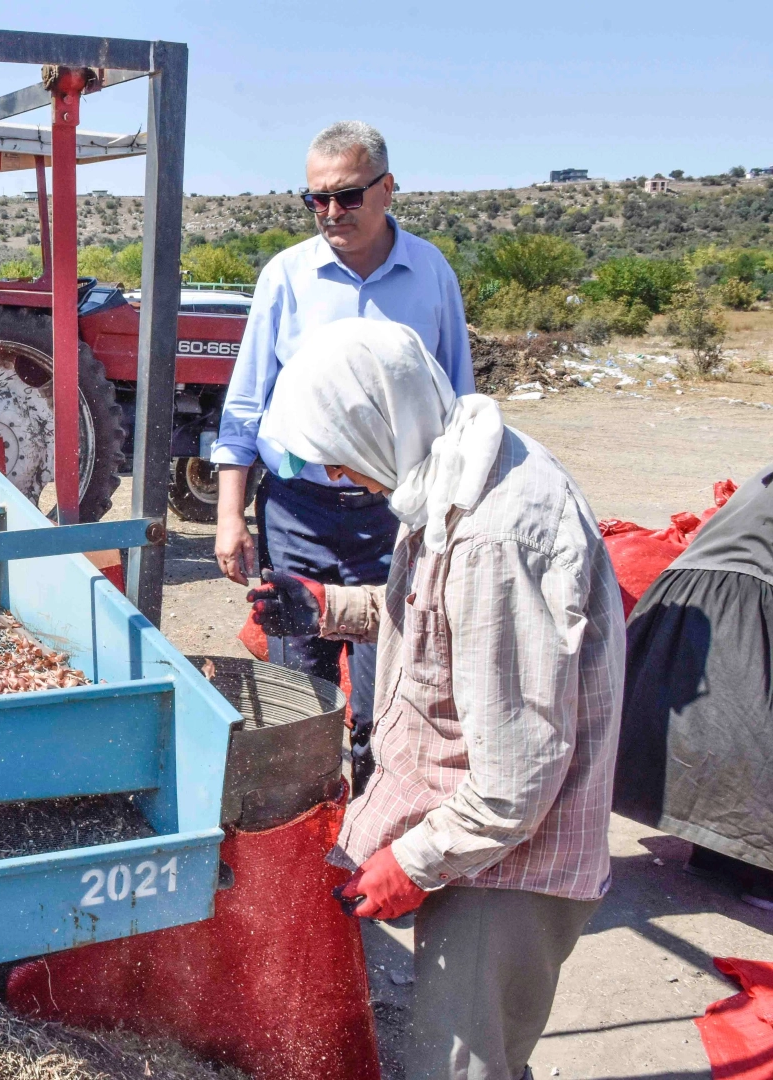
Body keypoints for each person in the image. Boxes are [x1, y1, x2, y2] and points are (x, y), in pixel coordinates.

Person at [246, 318, 623, 1080]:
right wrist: (326, 606)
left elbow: (517, 785)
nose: (344, 482)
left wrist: (413, 863)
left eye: (342, 462)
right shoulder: (454, 470)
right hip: (483, 835)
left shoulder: (495, 534)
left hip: (513, 866)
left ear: (379, 420)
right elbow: (440, 622)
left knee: (455, 1070)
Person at [210, 120, 473, 794]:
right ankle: (309, 822)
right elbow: (244, 407)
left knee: (393, 677)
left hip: (394, 513)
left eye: (348, 196)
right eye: (316, 199)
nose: (331, 213)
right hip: (297, 512)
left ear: (388, 189)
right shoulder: (287, 278)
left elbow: (459, 406)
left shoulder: (431, 275)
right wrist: (230, 516)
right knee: (301, 682)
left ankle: (376, 819)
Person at [614, 463, 773, 909]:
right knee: (749, 732)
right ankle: (761, 874)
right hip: (743, 599)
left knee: (718, 725)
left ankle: (713, 853)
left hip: (686, 592)